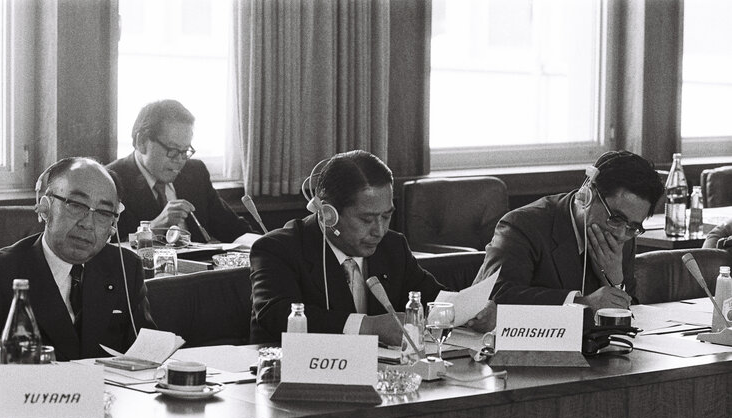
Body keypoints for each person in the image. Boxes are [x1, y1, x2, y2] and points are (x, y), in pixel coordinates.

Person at [250, 149, 495, 345]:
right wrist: (367, 326)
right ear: (328, 214)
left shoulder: (392, 246)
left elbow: (428, 296)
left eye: (386, 216)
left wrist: (470, 313)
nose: (379, 230)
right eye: (366, 220)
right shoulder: (278, 249)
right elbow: (277, 314)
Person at [0, 157, 156, 372]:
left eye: (103, 213)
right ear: (45, 208)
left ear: (113, 224)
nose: (88, 224)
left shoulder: (124, 267)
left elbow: (145, 354)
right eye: (76, 205)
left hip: (109, 400)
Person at [474, 150, 664, 313]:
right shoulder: (523, 225)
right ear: (588, 194)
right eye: (615, 218)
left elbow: (630, 310)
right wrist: (582, 303)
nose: (621, 234)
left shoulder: (625, 232)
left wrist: (615, 282)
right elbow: (498, 295)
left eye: (632, 227)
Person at [107, 99, 253, 242]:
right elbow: (106, 248)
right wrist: (153, 228)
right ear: (142, 142)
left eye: (185, 151)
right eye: (173, 150)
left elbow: (235, 229)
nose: (180, 160)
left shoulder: (195, 173)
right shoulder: (111, 181)